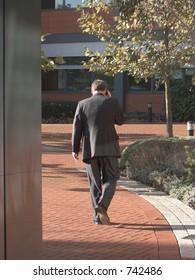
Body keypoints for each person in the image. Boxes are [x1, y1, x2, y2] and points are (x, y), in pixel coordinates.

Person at [72, 79, 124, 225]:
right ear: (105, 90)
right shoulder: (111, 101)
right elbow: (120, 120)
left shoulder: (82, 104)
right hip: (110, 149)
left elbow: (77, 128)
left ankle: (97, 218)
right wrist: (110, 99)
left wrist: (74, 149)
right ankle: (102, 206)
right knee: (111, 179)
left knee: (94, 184)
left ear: (92, 90)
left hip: (90, 149)